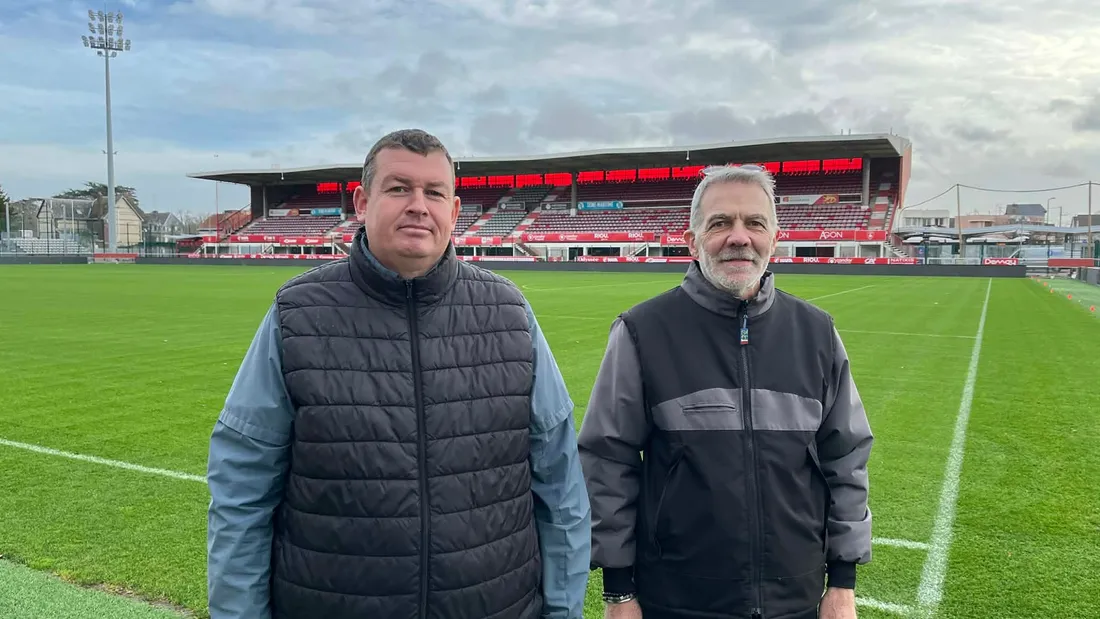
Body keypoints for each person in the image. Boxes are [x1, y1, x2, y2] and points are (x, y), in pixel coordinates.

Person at [206, 128, 591, 619]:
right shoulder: (296, 314)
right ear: (362, 201)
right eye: (398, 188)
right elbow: (243, 490)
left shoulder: (510, 312)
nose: (417, 205)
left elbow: (560, 490)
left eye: (434, 192)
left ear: (454, 212)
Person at [577, 165, 874, 619]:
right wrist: (619, 591)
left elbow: (846, 457)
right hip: (676, 599)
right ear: (692, 240)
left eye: (754, 223)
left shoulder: (816, 332)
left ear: (775, 238)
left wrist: (843, 583)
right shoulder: (642, 331)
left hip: (796, 598)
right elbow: (606, 461)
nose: (739, 236)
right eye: (720, 223)